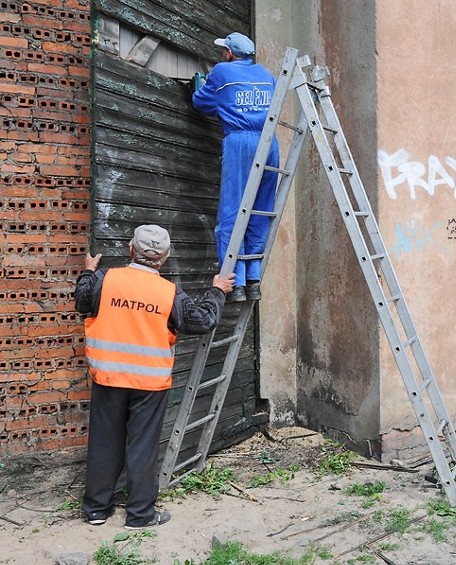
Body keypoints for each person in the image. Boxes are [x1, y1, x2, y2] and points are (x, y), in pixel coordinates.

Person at [75, 224, 235, 530]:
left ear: (130, 249)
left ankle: (96, 510)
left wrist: (88, 271)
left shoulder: (105, 279)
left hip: (108, 377)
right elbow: (203, 320)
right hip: (149, 384)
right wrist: (217, 290)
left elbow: (82, 302)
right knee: (141, 446)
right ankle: (139, 515)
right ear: (164, 258)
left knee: (104, 443)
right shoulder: (168, 292)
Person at [191, 31, 279, 303]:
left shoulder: (221, 72)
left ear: (229, 53)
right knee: (260, 211)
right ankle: (253, 280)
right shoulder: (267, 75)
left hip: (240, 142)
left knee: (232, 211)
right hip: (269, 143)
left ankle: (236, 283)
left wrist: (200, 86)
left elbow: (201, 103)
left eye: (224, 50)